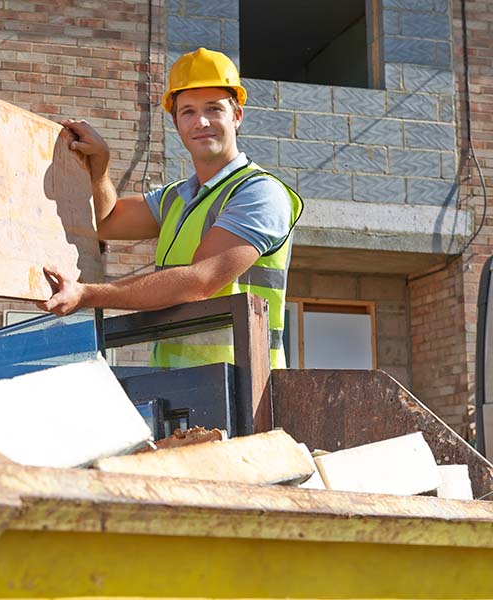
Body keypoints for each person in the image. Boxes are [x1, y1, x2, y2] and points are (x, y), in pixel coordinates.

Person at [38, 47, 303, 368]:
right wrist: (101, 164)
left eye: (214, 108)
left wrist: (87, 294)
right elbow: (106, 222)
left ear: (237, 115)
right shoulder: (177, 197)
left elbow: (199, 282)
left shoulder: (259, 193)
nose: (201, 121)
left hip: (243, 384)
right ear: (176, 122)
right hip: (176, 382)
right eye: (188, 111)